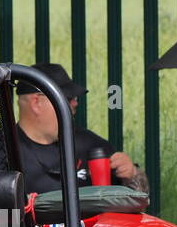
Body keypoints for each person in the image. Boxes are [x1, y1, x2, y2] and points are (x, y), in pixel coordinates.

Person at [12, 62, 149, 195]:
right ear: (36, 103)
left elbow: (139, 202)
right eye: (68, 97)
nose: (75, 103)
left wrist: (132, 175)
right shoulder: (1, 155)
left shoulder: (91, 145)